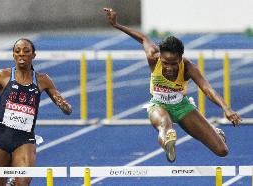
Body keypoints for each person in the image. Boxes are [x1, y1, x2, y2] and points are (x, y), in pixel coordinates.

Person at [103, 8, 242, 162]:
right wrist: (116, 25)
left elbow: (207, 89)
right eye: (165, 63)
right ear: (160, 57)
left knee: (222, 151)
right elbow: (143, 38)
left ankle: (215, 133)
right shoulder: (153, 57)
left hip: (182, 106)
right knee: (165, 127)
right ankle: (169, 143)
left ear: (181, 58)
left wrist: (226, 108)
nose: (169, 67)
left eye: (174, 63)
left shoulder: (188, 67)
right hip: (158, 104)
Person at [0, 38, 72, 186]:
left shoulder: (42, 80)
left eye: (26, 51)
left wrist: (64, 106)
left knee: (23, 182)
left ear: (33, 55)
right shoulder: (2, 76)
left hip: (25, 139)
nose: (21, 54)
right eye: (17, 51)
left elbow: (66, 107)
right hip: (0, 138)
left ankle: (15, 181)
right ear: (13, 55)